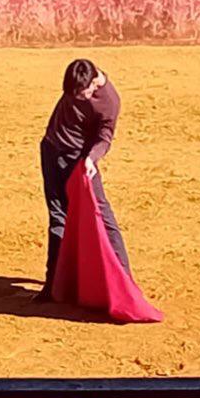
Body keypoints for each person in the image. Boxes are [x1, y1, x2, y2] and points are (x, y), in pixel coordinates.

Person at [35, 58, 130, 303]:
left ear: (94, 82)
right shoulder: (77, 82)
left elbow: (105, 136)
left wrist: (90, 159)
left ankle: (124, 282)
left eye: (82, 94)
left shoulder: (109, 101)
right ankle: (53, 285)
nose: (77, 98)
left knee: (102, 216)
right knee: (57, 216)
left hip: (79, 161)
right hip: (51, 150)